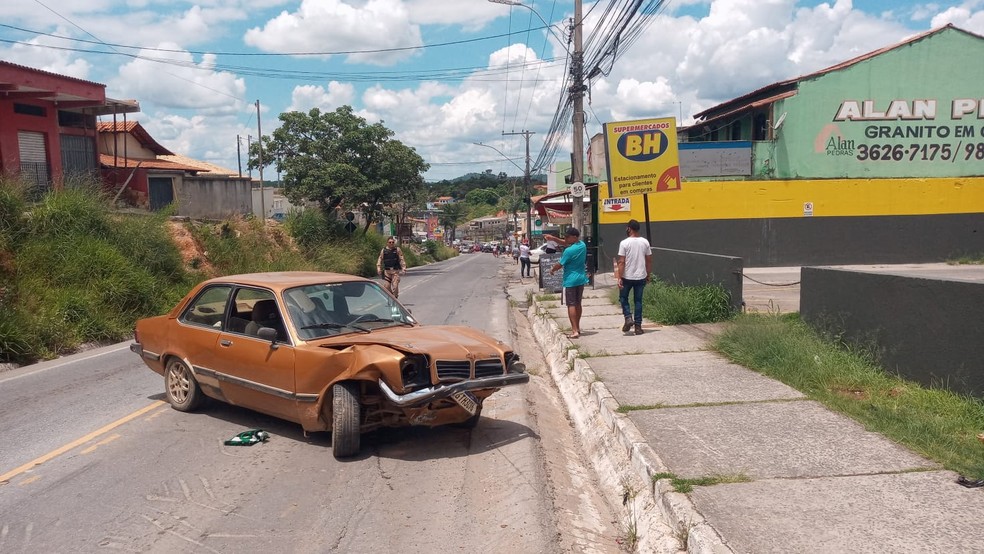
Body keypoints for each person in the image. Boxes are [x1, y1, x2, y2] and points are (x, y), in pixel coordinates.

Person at [549, 227, 589, 338]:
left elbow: (560, 264)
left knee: (570, 305)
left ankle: (574, 330)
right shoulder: (582, 245)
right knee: (578, 303)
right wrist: (553, 239)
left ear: (574, 237)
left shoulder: (568, 251)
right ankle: (578, 327)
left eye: (567, 236)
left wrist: (552, 269)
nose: (565, 238)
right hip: (581, 279)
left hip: (570, 281)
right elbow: (566, 243)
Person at [616, 219, 652, 335]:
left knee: (623, 298)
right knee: (638, 301)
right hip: (641, 276)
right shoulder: (645, 242)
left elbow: (621, 262)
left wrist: (619, 277)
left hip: (627, 276)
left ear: (629, 229)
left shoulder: (624, 243)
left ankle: (628, 317)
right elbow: (649, 260)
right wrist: (648, 274)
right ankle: (638, 327)